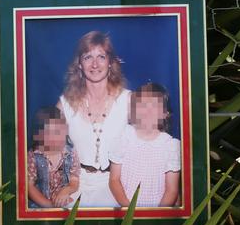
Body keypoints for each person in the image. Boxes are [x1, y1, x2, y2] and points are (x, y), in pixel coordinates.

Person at [57, 31, 130, 207]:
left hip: (118, 188)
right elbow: (47, 154)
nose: (95, 64)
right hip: (75, 187)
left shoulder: (128, 101)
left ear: (111, 63)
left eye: (101, 57)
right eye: (88, 57)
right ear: (79, 64)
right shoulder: (64, 104)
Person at [108, 83, 181, 207]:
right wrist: (128, 210)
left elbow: (172, 190)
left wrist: (155, 217)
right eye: (143, 104)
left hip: (158, 212)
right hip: (124, 207)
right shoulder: (125, 136)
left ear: (165, 114)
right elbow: (114, 180)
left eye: (155, 106)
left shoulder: (170, 146)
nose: (148, 110)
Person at [27, 106, 80, 208]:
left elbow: (75, 181)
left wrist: (66, 190)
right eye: (50, 133)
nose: (57, 137)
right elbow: (30, 187)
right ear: (39, 136)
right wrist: (48, 205)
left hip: (63, 200)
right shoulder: (34, 155)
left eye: (60, 131)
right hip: (40, 202)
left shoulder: (70, 152)